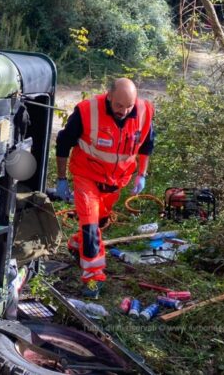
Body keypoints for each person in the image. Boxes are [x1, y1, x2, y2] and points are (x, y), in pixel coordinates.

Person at [49, 78, 155, 299]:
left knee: (99, 223)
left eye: (129, 106)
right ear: (109, 95)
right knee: (90, 225)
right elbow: (63, 142)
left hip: (115, 183)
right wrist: (61, 179)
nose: (124, 111)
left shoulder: (144, 112)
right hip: (86, 176)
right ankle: (93, 279)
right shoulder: (87, 111)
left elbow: (146, 145)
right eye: (119, 105)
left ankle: (77, 244)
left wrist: (141, 174)